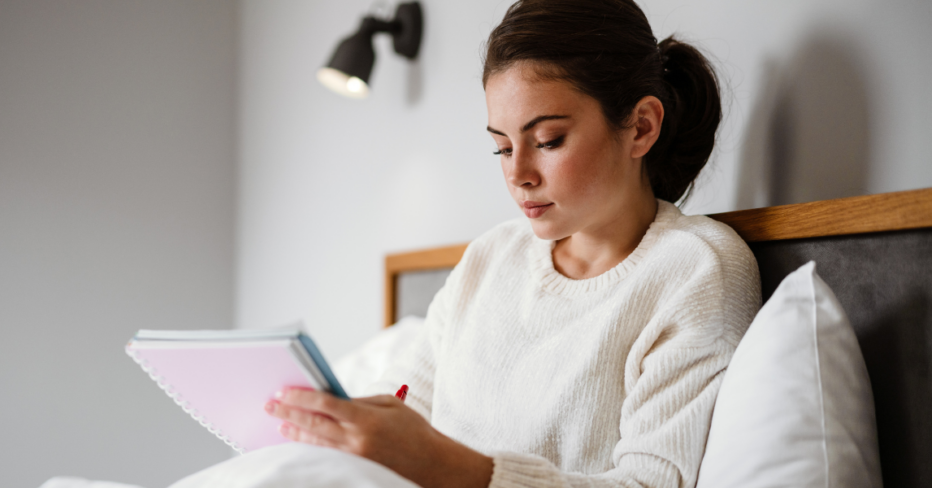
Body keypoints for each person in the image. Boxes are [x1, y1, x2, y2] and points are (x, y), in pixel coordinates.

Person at [264, 0, 761, 487]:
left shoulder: (695, 269)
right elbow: (402, 398)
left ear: (641, 126)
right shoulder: (491, 256)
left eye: (547, 141)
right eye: (501, 147)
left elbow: (651, 482)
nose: (517, 174)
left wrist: (444, 467)